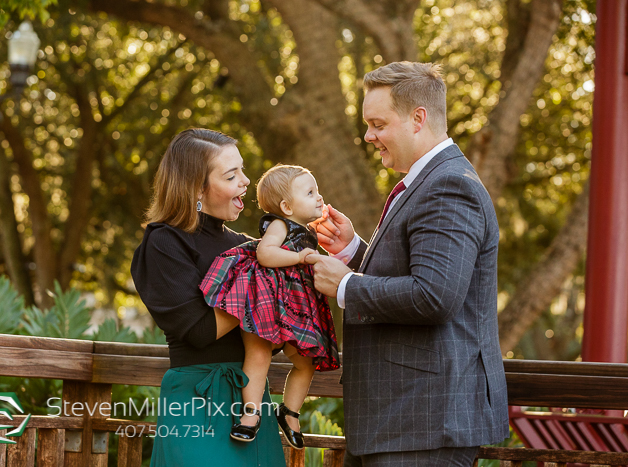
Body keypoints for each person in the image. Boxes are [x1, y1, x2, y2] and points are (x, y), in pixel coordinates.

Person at [305, 62, 509, 466]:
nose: (368, 136)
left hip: (424, 423)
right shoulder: (427, 180)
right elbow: (419, 275)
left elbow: (435, 297)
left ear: (418, 119)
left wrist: (345, 284)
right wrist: (354, 252)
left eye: (378, 123)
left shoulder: (450, 186)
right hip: (399, 421)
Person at [130, 128, 285, 467]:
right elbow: (200, 331)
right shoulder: (164, 243)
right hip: (196, 402)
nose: (246, 181)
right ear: (197, 188)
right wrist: (256, 288)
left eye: (242, 169)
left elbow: (273, 337)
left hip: (252, 402)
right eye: (232, 175)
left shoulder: (248, 248)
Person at [200, 164, 340, 449]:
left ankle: (289, 412)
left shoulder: (307, 231)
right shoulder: (281, 225)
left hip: (296, 302)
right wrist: (302, 257)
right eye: (310, 192)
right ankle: (250, 414)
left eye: (317, 191)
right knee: (259, 351)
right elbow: (265, 254)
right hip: (265, 298)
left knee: (306, 360)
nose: (319, 197)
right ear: (287, 206)